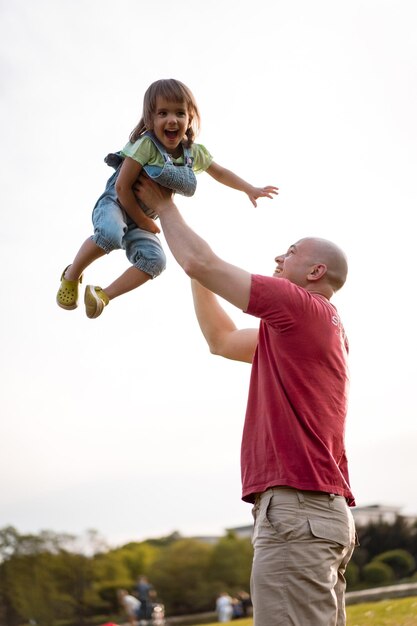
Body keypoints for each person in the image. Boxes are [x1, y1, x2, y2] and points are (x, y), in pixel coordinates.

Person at [134, 176, 357, 626]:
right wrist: (197, 273)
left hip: (298, 512)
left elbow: (202, 260)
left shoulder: (298, 306)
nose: (278, 256)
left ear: (315, 272)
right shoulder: (307, 330)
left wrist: (164, 205)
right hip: (315, 515)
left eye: (291, 251)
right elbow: (221, 339)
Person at [56, 78, 278, 319]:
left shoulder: (193, 153)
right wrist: (142, 220)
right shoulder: (146, 145)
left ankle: (103, 295)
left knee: (156, 261)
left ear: (189, 118)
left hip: (142, 220)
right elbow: (122, 186)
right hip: (117, 205)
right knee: (110, 233)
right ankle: (72, 274)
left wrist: (249, 188)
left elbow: (220, 172)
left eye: (179, 113)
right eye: (163, 113)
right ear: (150, 120)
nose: (172, 120)